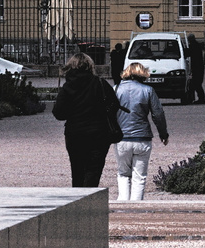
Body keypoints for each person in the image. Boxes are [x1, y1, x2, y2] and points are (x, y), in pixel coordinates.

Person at [52, 53, 117, 188]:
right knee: (94, 170)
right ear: (90, 66)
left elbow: (58, 113)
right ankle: (90, 198)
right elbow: (114, 105)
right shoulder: (100, 84)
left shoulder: (67, 87)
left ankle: (78, 201)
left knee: (77, 170)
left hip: (75, 133)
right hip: (99, 133)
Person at [113, 62, 169, 201]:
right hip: (142, 138)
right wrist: (163, 133)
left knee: (123, 173)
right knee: (139, 176)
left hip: (122, 137)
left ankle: (123, 206)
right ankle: (136, 208)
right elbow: (158, 114)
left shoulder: (116, 89)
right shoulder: (148, 90)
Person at [187, 33, 205, 105]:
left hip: (197, 68)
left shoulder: (193, 46)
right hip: (199, 67)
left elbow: (188, 53)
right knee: (196, 84)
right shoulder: (196, 45)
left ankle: (200, 99)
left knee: (196, 84)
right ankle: (198, 98)